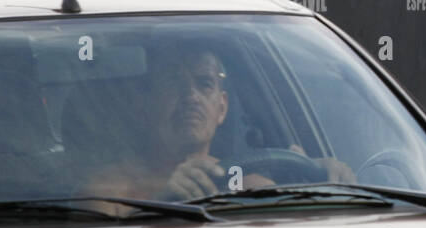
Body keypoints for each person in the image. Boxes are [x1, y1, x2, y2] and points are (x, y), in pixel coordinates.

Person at [79, 48, 355, 208]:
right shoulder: (111, 190)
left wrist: (325, 187)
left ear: (222, 108)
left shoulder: (251, 185)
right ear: (144, 105)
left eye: (204, 83)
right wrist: (162, 205)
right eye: (174, 82)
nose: (190, 96)